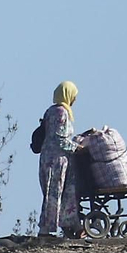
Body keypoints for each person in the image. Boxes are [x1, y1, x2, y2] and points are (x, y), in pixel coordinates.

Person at [37, 81, 84, 238]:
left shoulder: (50, 111)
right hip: (55, 161)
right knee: (54, 194)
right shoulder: (61, 113)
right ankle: (46, 230)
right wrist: (76, 147)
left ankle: (70, 224)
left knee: (62, 194)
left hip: (51, 159)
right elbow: (59, 139)